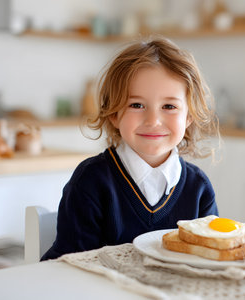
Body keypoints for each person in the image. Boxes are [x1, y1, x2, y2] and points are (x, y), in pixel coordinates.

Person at [41, 37, 220, 260]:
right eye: (137, 105)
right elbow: (72, 266)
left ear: (189, 116)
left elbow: (210, 261)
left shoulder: (198, 187)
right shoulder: (91, 181)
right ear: (114, 114)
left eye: (169, 106)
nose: (153, 120)